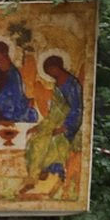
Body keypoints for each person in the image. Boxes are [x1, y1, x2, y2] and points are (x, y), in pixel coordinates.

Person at [25, 54, 84, 188]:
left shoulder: (72, 84)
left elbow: (77, 108)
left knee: (53, 142)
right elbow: (53, 112)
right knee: (34, 141)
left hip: (69, 125)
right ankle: (36, 174)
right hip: (55, 123)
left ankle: (55, 172)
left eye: (51, 70)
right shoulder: (57, 85)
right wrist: (39, 127)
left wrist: (65, 127)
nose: (50, 74)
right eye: (48, 72)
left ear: (57, 67)